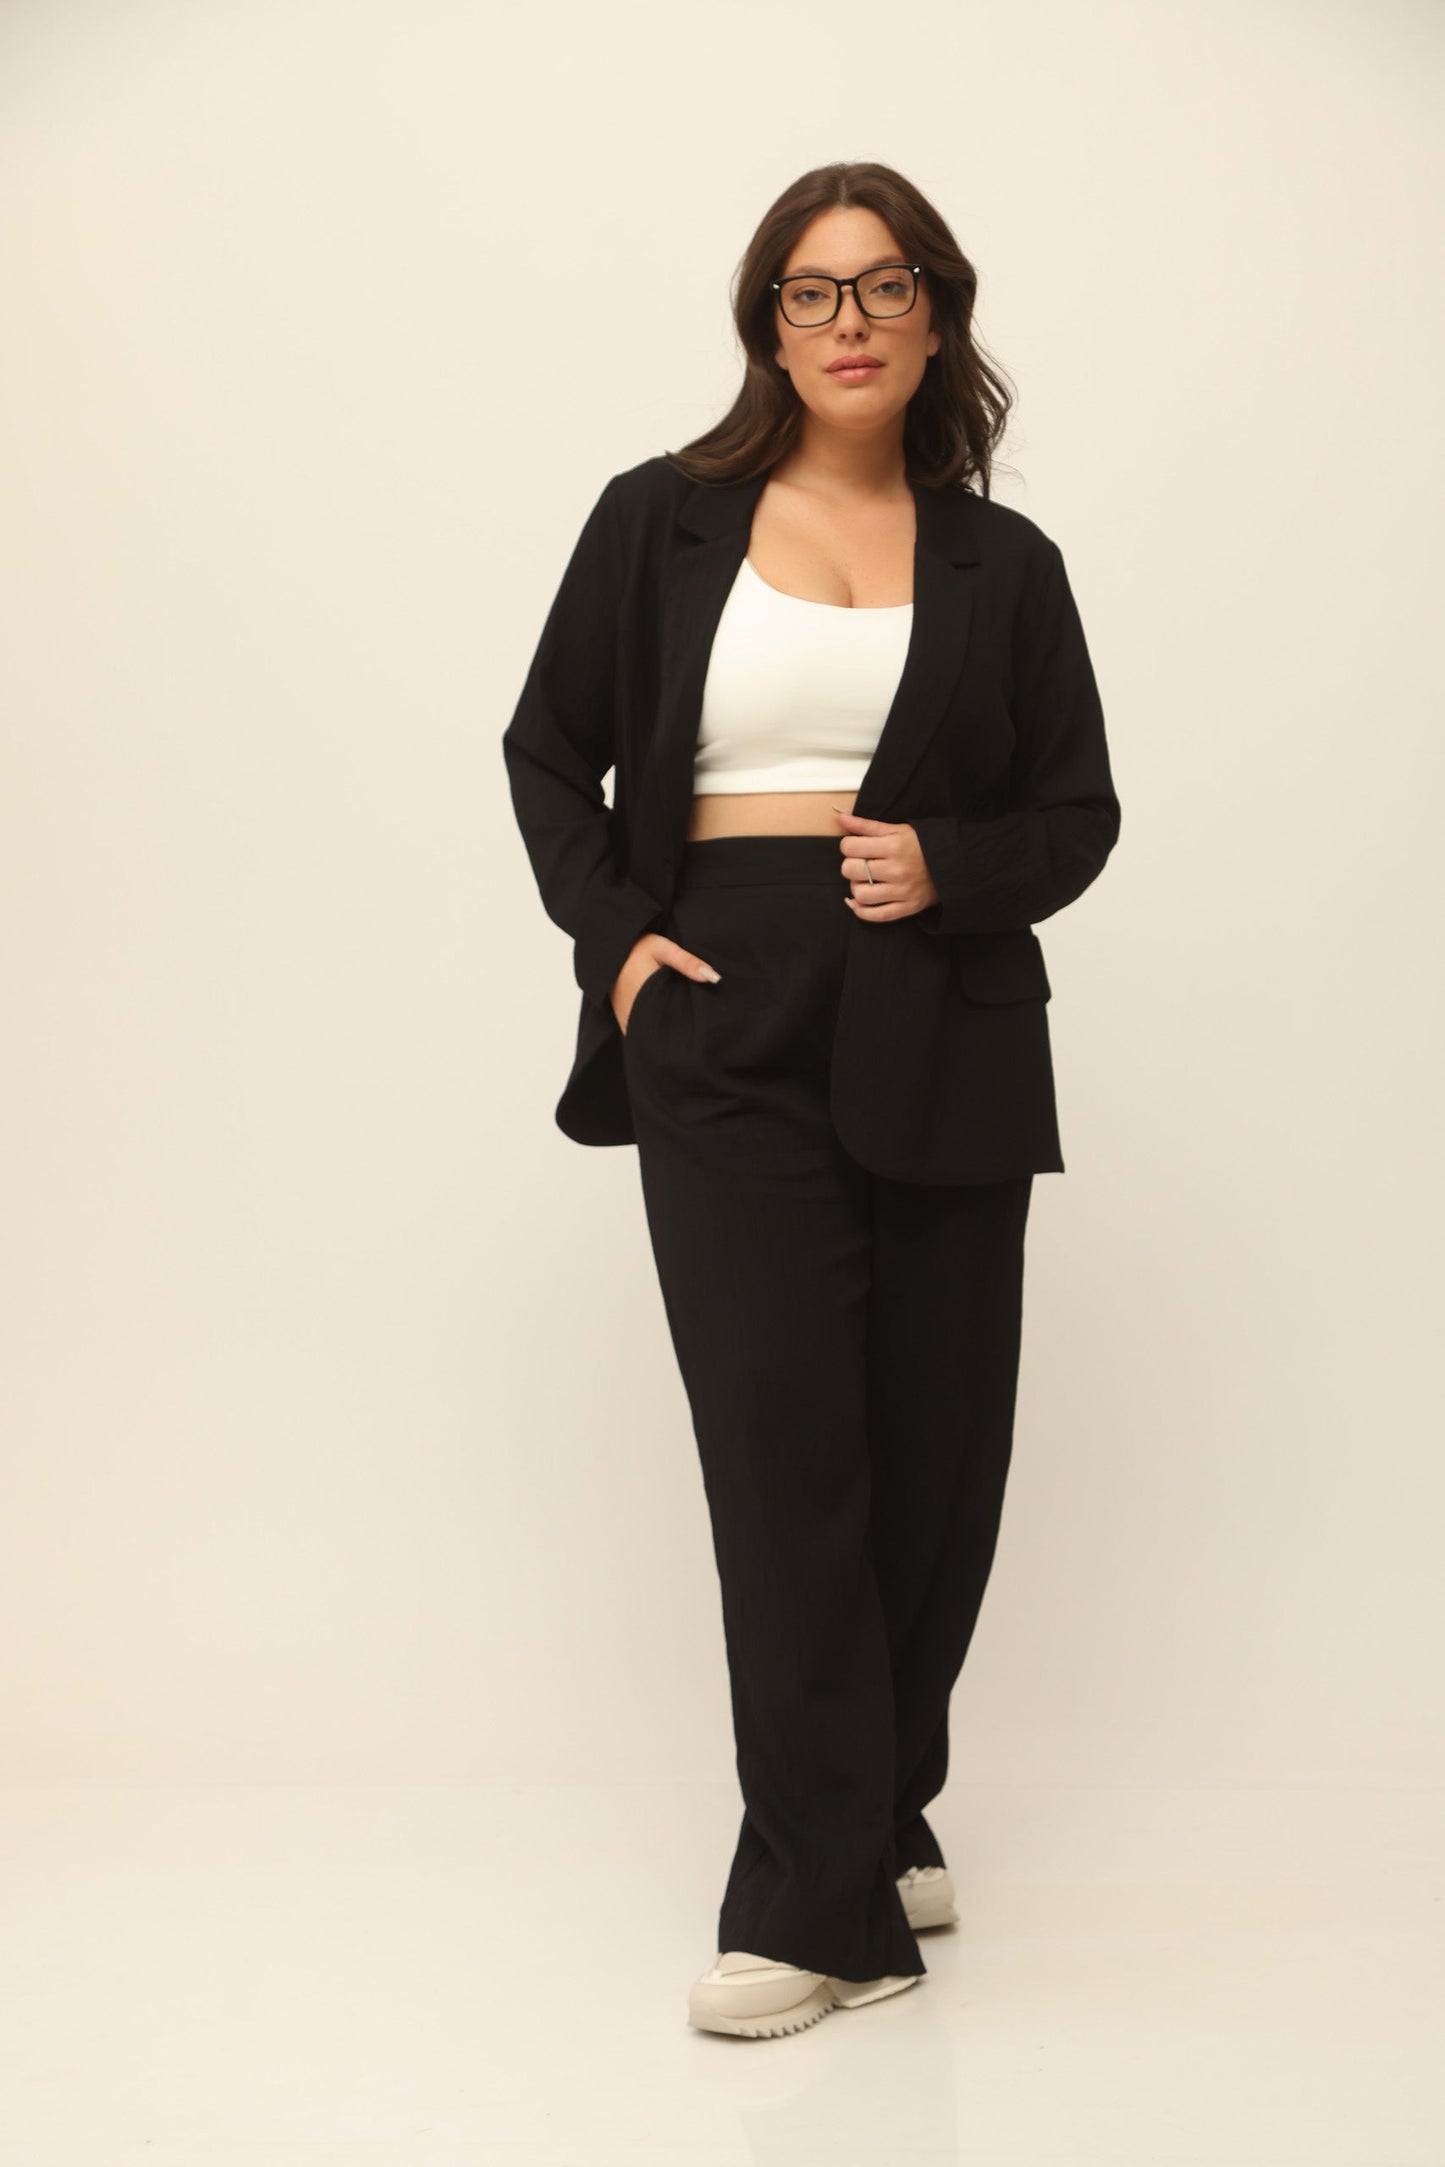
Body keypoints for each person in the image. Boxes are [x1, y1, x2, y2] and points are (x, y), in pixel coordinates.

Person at [502, 160, 1121, 2041]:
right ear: (766, 327)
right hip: (724, 1011)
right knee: (783, 1453)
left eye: (884, 285)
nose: (847, 321)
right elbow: (549, 752)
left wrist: (951, 865)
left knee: (935, 1462)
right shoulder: (660, 520)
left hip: (945, 1012)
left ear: (937, 316)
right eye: (809, 290)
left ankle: (875, 1807)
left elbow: (1078, 813)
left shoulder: (1008, 566)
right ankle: (813, 1905)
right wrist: (619, 946)